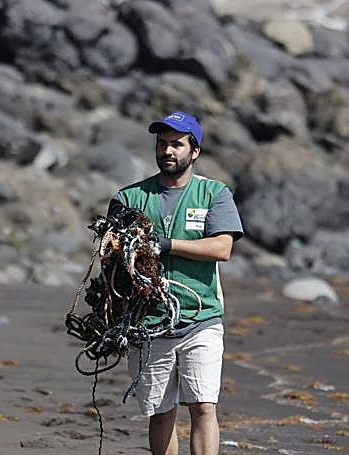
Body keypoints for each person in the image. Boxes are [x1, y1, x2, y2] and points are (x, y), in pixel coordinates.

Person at [107, 111, 243, 455]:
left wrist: (166, 245)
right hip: (147, 324)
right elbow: (109, 252)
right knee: (160, 411)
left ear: (194, 151)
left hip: (202, 319)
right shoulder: (128, 198)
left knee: (203, 407)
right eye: (163, 143)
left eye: (177, 145)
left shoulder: (214, 194)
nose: (168, 151)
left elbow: (222, 247)